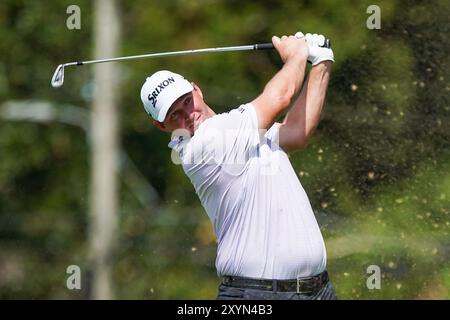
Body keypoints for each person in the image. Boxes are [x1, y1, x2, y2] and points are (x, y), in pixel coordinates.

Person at [140, 32, 336, 300]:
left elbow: (296, 133)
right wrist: (297, 54)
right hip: (257, 295)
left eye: (187, 101)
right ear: (162, 126)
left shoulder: (239, 131)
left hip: (318, 291)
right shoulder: (204, 146)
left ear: (196, 89)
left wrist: (322, 61)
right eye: (175, 115)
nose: (189, 115)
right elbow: (280, 97)